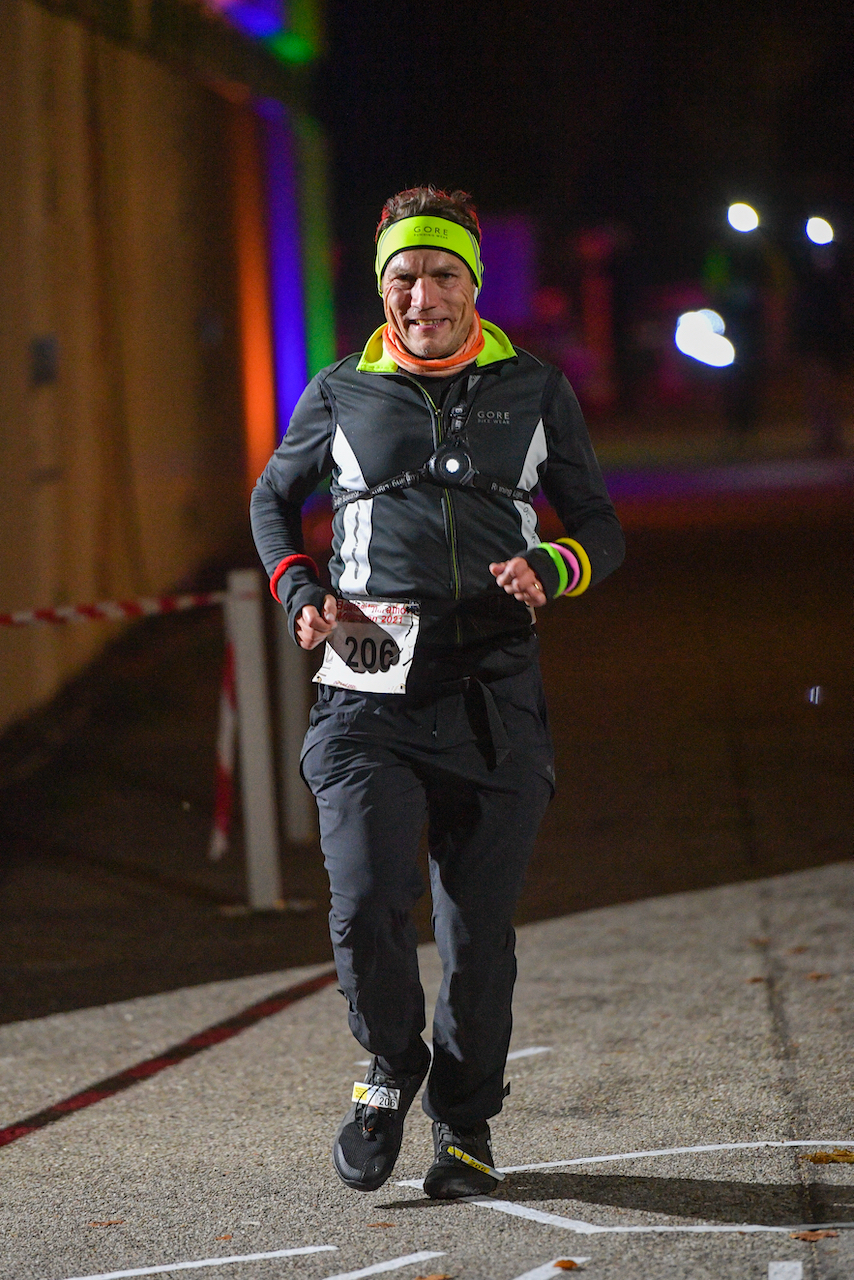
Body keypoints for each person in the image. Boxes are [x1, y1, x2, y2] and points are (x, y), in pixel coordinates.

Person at [250, 186, 624, 1198]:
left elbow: (597, 519)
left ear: (472, 283)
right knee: (367, 893)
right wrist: (299, 588)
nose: (421, 295)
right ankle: (387, 1065)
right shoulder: (337, 391)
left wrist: (556, 567)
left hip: (492, 681)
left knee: (475, 934)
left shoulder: (533, 387)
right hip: (368, 675)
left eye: (441, 275)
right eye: (402, 278)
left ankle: (463, 1125)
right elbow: (272, 499)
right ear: (383, 288)